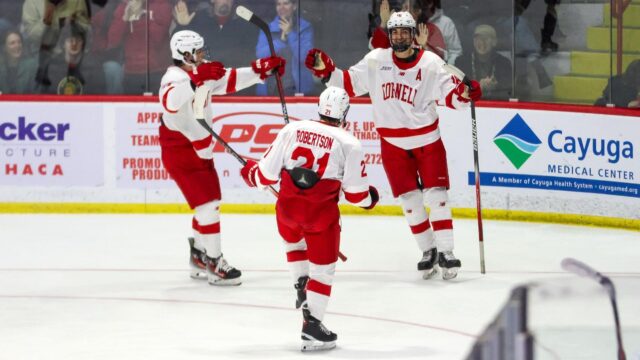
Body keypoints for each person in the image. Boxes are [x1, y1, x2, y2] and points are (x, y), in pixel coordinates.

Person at [305, 11, 482, 280]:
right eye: (395, 31)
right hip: (392, 145)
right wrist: (326, 70)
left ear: (413, 35)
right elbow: (349, 84)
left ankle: (447, 251)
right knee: (409, 200)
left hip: (427, 141)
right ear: (389, 35)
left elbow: (451, 97)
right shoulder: (377, 60)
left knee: (437, 196)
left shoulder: (431, 63)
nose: (399, 36)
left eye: (404, 31)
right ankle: (428, 250)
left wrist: (465, 94)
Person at [240, 86, 379, 351]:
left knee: (294, 243)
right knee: (323, 271)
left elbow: (264, 176)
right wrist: (372, 198)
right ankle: (312, 325)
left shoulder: (292, 129)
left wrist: (250, 173)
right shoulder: (349, 142)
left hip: (288, 212)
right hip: (320, 217)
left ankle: (300, 284)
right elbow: (356, 196)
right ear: (344, 113)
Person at [158, 30, 285, 286]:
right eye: (199, 50)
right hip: (180, 149)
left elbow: (230, 79)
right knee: (208, 206)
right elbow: (169, 102)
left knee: (210, 202)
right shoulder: (173, 76)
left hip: (197, 148)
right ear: (185, 54)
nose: (204, 54)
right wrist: (195, 79)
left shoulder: (201, 71)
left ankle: (198, 256)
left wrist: (261, 71)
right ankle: (214, 263)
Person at [107, 0, 173, 94]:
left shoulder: (162, 4)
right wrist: (124, 19)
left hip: (159, 71)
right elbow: (113, 40)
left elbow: (158, 38)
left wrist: (141, 16)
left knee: (158, 108)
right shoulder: (124, 6)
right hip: (132, 72)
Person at [172, 0, 258, 69]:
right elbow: (179, 47)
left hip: (232, 82)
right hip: (204, 81)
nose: (226, 1)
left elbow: (249, 56)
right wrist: (182, 26)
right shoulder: (199, 19)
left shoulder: (245, 24)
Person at [255, 0, 314, 96]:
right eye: (278, 4)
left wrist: (290, 33)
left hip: (297, 91)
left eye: (286, 3)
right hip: (271, 90)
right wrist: (281, 41)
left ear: (294, 6)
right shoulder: (267, 28)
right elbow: (260, 55)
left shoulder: (305, 28)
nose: (281, 7)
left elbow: (306, 57)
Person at [370, 0, 447, 60]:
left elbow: (440, 60)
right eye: (402, 8)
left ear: (418, 11)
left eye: (406, 8)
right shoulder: (394, 29)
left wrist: (424, 45)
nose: (402, 11)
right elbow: (376, 51)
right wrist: (384, 23)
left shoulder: (430, 29)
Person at [456, 24, 512, 100]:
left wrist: (496, 87)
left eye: (486, 38)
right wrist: (478, 87)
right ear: (473, 42)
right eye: (478, 39)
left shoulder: (504, 63)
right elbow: (457, 91)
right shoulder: (462, 62)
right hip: (468, 107)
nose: (482, 42)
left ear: (494, 42)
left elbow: (509, 91)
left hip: (496, 106)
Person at [0, 30, 38, 94]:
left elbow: (36, 94)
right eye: (12, 43)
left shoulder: (32, 66)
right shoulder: (1, 69)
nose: (17, 46)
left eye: (19, 42)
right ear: (4, 47)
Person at [426, 0, 463, 65]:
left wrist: (446, 71)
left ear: (430, 3)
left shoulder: (446, 23)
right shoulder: (412, 22)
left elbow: (456, 53)